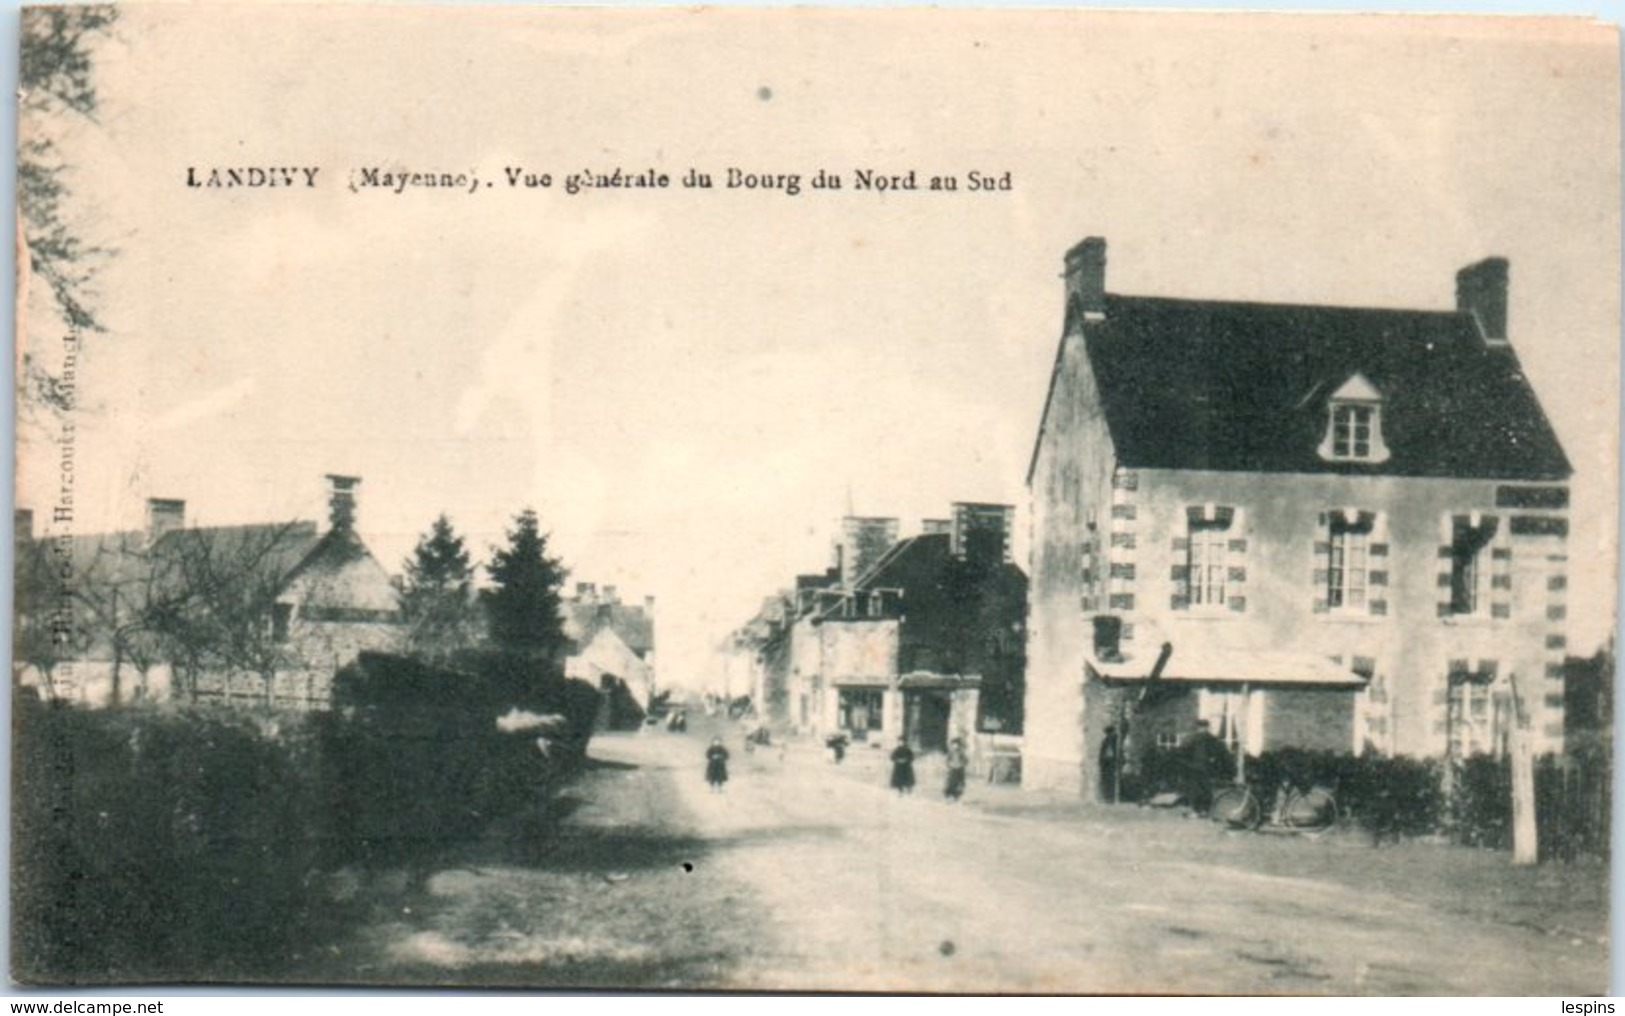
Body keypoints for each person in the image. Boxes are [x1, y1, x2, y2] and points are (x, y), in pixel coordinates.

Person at [1183, 719, 1232, 816]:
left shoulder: (1192, 739)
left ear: (1198, 727)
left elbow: (1183, 751)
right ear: (1206, 727)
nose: (1203, 729)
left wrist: (1188, 763)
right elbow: (1220, 752)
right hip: (1207, 768)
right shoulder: (1212, 739)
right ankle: (1206, 810)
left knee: (1196, 789)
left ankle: (1196, 811)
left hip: (1195, 767)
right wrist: (1213, 761)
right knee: (1206, 789)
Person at [944, 737, 969, 802]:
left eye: (957, 745)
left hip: (960, 769)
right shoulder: (951, 752)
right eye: (954, 745)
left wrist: (962, 764)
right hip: (953, 768)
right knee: (951, 782)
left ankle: (956, 796)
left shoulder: (961, 752)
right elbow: (947, 760)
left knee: (959, 782)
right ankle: (949, 795)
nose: (955, 746)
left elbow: (966, 760)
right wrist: (949, 764)